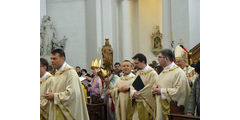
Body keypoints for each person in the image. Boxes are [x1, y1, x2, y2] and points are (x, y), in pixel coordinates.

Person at [42, 49, 89, 120]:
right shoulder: (57, 73)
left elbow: (73, 94)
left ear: (63, 58)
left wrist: (54, 96)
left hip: (65, 115)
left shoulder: (71, 73)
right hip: (57, 111)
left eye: (54, 58)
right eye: (51, 58)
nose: (52, 61)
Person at [152, 49, 191, 120]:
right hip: (161, 108)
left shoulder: (178, 72)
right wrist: (155, 89)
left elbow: (181, 91)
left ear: (166, 59)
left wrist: (161, 91)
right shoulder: (163, 72)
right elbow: (158, 86)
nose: (158, 59)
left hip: (173, 111)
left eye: (159, 57)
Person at [129, 53, 158, 120]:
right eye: (134, 63)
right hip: (138, 102)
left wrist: (139, 93)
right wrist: (133, 93)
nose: (135, 66)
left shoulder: (152, 73)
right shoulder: (139, 72)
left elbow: (151, 87)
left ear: (143, 62)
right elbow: (133, 86)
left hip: (148, 103)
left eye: (136, 63)